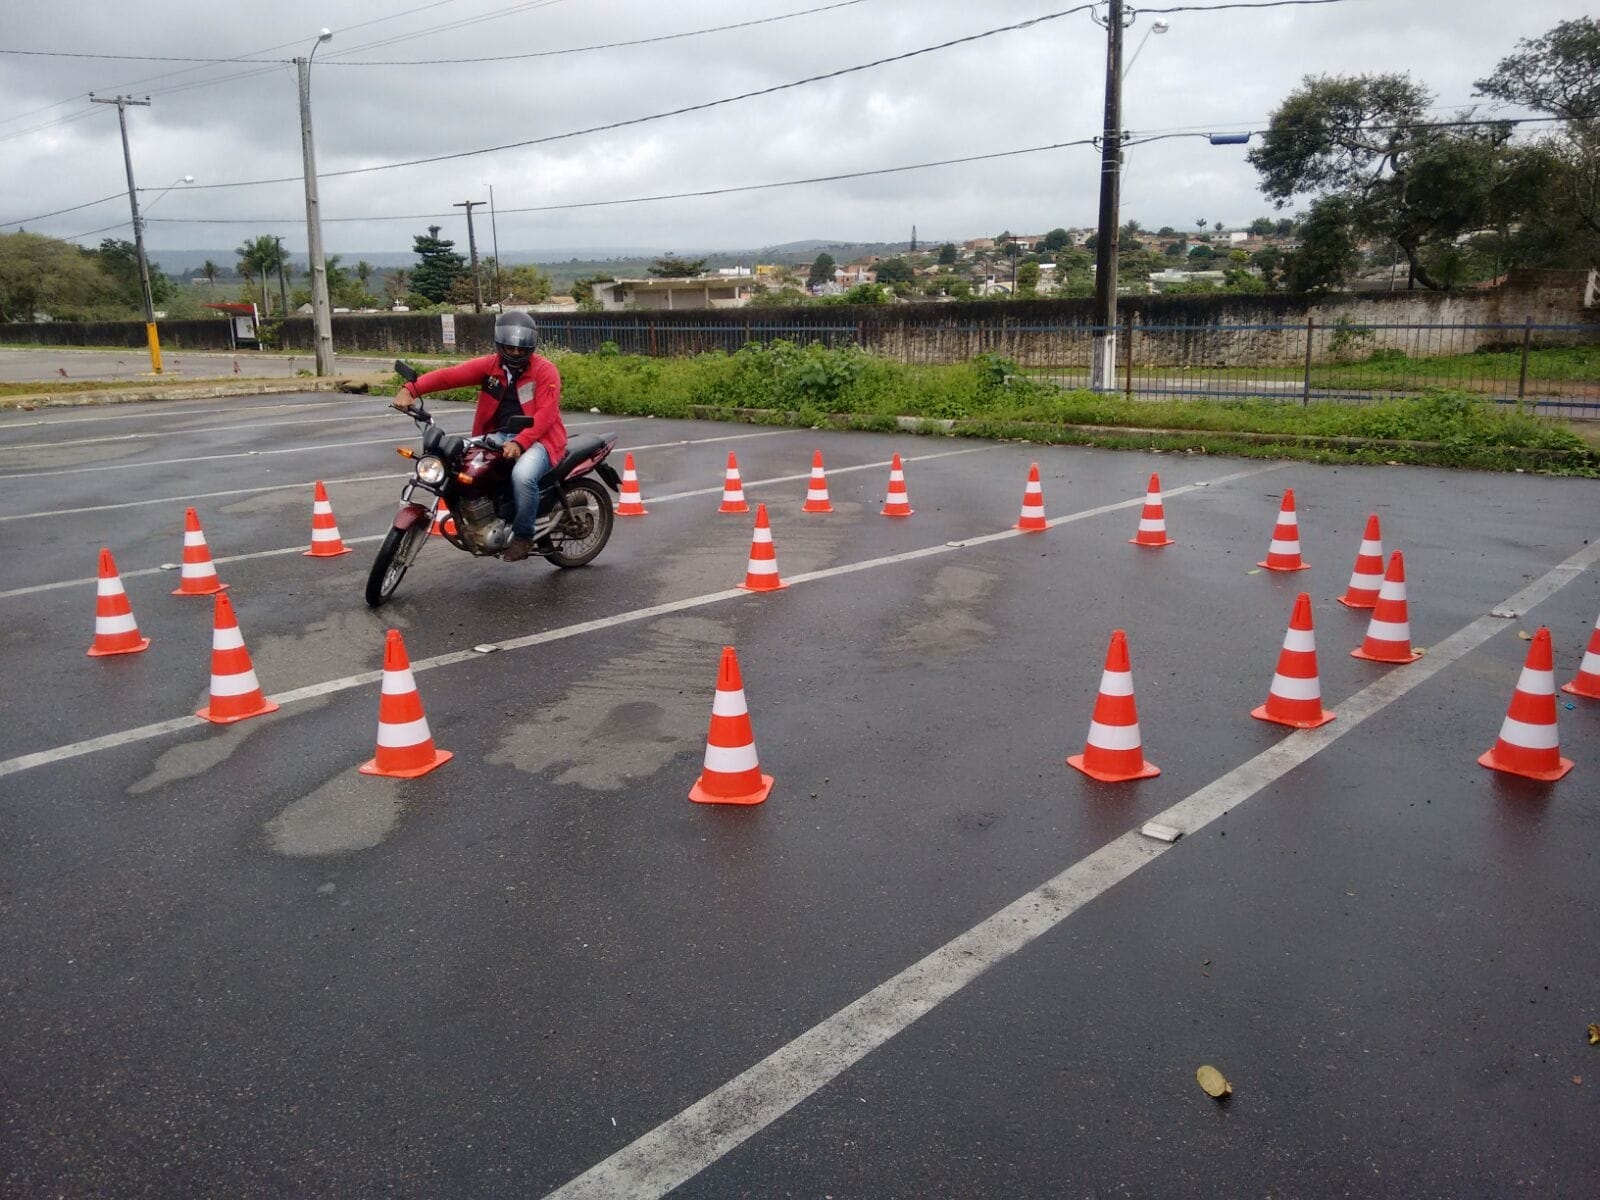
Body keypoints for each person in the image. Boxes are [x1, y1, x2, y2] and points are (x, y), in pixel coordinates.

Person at [395, 311, 567, 562]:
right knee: (453, 459)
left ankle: (523, 536)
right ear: (500, 344)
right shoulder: (490, 366)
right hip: (497, 435)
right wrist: (410, 389)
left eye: (522, 349)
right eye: (510, 347)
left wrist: (521, 442)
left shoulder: (545, 371)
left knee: (523, 476)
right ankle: (478, 516)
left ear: (531, 347)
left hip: (540, 439)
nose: (516, 353)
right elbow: (449, 376)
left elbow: (546, 415)